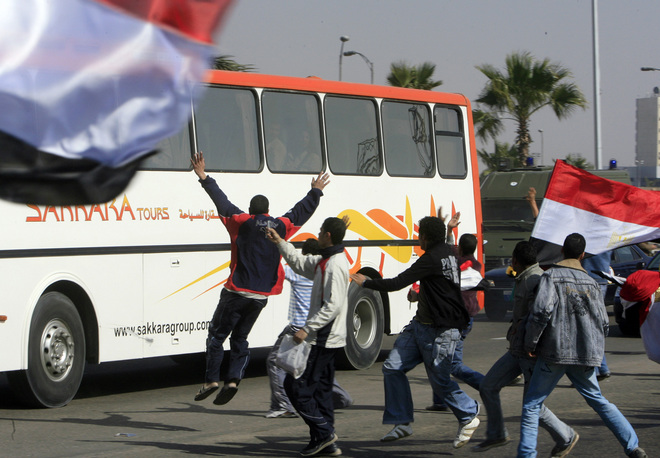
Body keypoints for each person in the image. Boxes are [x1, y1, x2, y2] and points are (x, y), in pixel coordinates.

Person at [190, 151, 329, 406]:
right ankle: (233, 380)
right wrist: (315, 191)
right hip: (260, 296)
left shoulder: (240, 221)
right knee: (240, 338)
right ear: (267, 211)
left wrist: (203, 176)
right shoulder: (280, 226)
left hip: (236, 292)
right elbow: (300, 212)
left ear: (251, 210)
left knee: (216, 337)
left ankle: (211, 380)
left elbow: (221, 201)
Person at [351, 216, 480, 449]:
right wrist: (449, 230)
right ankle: (402, 422)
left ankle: (469, 413)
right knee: (392, 368)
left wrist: (366, 283)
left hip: (441, 330)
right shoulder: (450, 251)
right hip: (420, 325)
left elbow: (398, 282)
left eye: (420, 233)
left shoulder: (431, 258)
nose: (417, 237)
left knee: (440, 382)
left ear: (426, 237)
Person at [519, 233, 647, 458]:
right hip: (585, 353)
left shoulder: (551, 277)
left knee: (532, 404)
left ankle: (527, 454)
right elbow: (604, 323)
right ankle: (633, 447)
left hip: (554, 352)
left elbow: (541, 312)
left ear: (562, 251)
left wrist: (531, 342)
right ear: (583, 255)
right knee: (599, 401)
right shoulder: (591, 282)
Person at [473, 241, 575, 455]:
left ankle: (565, 435)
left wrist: (533, 345)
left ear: (515, 260)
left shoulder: (535, 280)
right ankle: (497, 434)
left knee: (532, 407)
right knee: (488, 385)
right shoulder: (525, 278)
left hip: (531, 352)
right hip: (517, 350)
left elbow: (541, 317)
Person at [266, 216, 350, 457]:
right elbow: (300, 262)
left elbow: (333, 306)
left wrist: (307, 328)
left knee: (296, 386)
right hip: (325, 338)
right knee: (322, 392)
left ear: (328, 236)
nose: (319, 233)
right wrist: (280, 241)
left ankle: (324, 433)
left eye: (321, 230)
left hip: (323, 339)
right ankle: (326, 443)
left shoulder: (335, 264)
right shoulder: (324, 261)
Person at [427, 232, 485, 411]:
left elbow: (448, 253)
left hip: (455, 319)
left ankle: (486, 384)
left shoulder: (457, 264)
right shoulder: (476, 265)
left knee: (449, 362)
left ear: (459, 247)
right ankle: (440, 400)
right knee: (441, 359)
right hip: (468, 318)